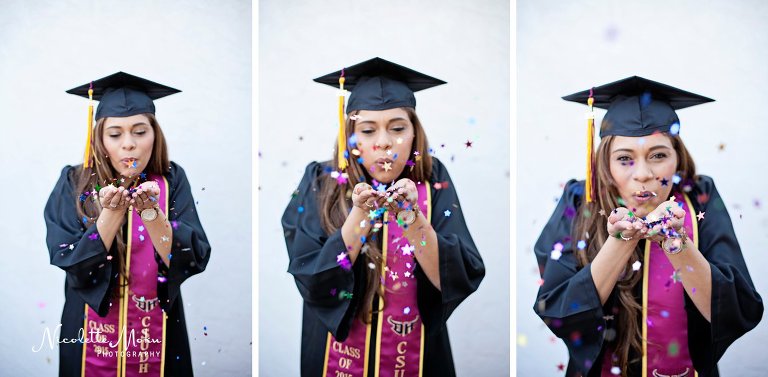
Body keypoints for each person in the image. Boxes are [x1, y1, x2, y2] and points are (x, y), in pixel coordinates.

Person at [533, 76, 763, 377]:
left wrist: (677, 242)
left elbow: (738, 309)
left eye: (658, 155)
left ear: (677, 157)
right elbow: (557, 309)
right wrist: (620, 243)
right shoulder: (580, 203)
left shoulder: (699, 200)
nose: (643, 174)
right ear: (605, 162)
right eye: (625, 158)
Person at [282, 57, 485, 377]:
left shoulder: (433, 183)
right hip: (332, 360)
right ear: (351, 136)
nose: (384, 142)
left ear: (415, 133)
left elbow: (456, 277)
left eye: (398, 128)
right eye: (367, 130)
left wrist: (411, 218)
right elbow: (311, 276)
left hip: (415, 359)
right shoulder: (320, 181)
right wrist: (360, 215)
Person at [44, 72, 211, 377]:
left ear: (154, 135)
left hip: (156, 332)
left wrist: (151, 214)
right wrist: (110, 214)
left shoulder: (172, 181)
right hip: (87, 330)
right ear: (100, 138)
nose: (129, 144)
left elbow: (192, 257)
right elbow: (71, 262)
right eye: (115, 133)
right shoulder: (74, 182)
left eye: (139, 131)